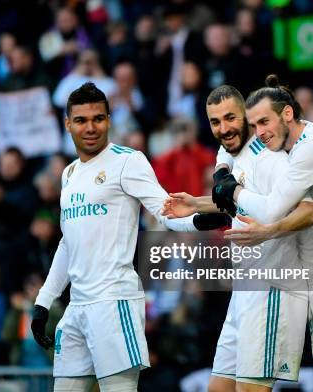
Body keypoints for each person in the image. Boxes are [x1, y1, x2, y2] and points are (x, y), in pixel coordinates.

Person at [30, 82, 229, 391]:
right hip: (76, 308)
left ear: (109, 120)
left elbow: (165, 214)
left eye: (98, 118)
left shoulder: (127, 161)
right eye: (81, 120)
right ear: (68, 124)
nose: (91, 127)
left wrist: (203, 221)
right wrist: (43, 302)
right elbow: (68, 243)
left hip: (114, 303)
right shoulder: (68, 174)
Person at [185, 75, 313, 392]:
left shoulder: (310, 150)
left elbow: (275, 208)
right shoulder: (288, 144)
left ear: (287, 114)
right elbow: (234, 157)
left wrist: (233, 193)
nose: (259, 133)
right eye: (254, 125)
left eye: (264, 123)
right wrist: (212, 193)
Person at [163, 85, 313, 391]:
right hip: (243, 294)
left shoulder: (273, 159)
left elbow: (311, 212)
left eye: (230, 118)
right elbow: (238, 201)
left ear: (247, 116)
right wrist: (194, 204)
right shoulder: (235, 154)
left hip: (273, 290)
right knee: (218, 388)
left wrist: (267, 231)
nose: (224, 128)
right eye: (215, 122)